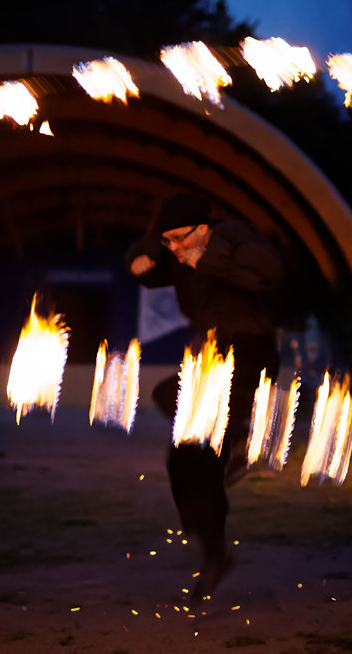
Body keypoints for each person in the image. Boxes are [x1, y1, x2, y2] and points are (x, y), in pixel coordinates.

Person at [125, 193, 284, 604]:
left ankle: (238, 439)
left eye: (181, 239)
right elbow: (145, 261)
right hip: (209, 360)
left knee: (205, 438)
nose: (175, 249)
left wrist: (206, 260)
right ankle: (214, 548)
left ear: (203, 228)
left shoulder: (234, 237)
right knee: (185, 454)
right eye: (169, 242)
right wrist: (142, 256)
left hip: (250, 353)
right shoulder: (177, 255)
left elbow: (269, 274)